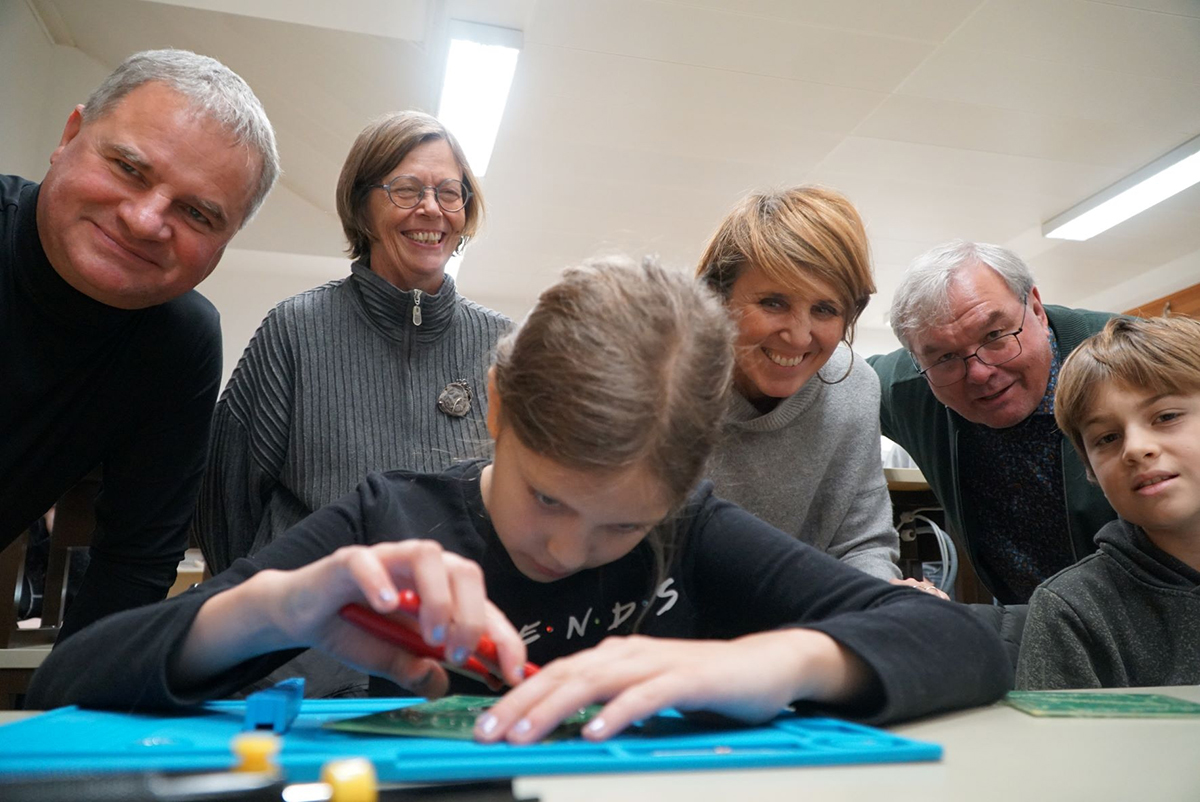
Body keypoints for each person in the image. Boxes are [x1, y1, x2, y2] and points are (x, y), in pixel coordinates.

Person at [26, 259, 1012, 741]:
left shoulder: (693, 526)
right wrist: (275, 606)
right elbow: (66, 679)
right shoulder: (386, 519)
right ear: (498, 403)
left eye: (624, 523)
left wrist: (781, 656)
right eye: (547, 496)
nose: (570, 549)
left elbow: (965, 644)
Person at [190, 111, 508, 696]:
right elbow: (226, 506)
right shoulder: (296, 329)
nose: (431, 209)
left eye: (449, 192)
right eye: (407, 189)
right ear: (362, 208)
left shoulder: (503, 349)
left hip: (451, 679)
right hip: (301, 674)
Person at [0, 49, 279, 639]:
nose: (146, 219)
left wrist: (71, 718)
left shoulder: (179, 343)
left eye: (198, 214)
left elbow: (133, 565)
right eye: (129, 167)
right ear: (70, 134)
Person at [868, 241, 1116, 605]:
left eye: (995, 336)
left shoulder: (1136, 364)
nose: (980, 373)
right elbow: (822, 381)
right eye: (947, 357)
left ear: (1035, 307)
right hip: (1031, 632)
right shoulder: (910, 385)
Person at [696, 187, 901, 582]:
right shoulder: (660, 380)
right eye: (774, 302)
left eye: (824, 309)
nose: (799, 336)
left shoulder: (854, 386)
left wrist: (876, 604)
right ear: (718, 297)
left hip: (800, 624)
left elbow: (862, 543)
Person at [1017, 316, 1200, 689]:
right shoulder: (1070, 611)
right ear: (1089, 469)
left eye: (1166, 417)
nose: (1135, 448)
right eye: (1107, 438)